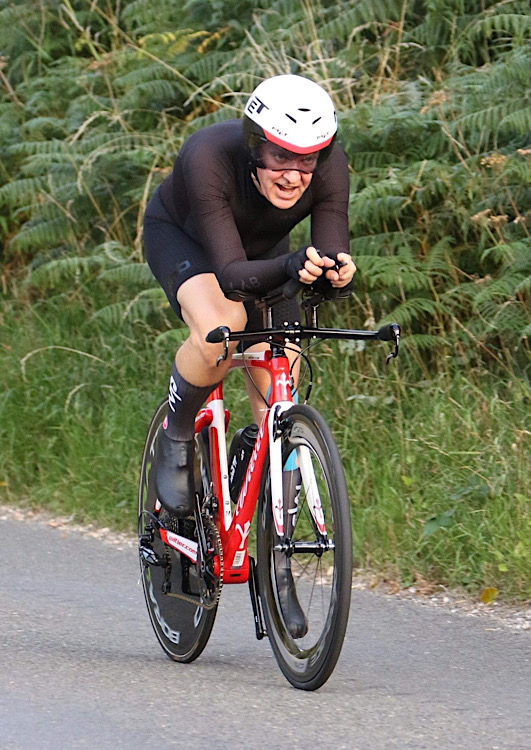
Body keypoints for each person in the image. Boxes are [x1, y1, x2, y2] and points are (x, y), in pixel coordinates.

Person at [143, 74, 356, 635]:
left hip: (264, 255)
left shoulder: (330, 167)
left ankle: (278, 566)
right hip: (189, 243)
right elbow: (233, 277)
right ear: (252, 143)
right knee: (223, 329)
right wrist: (292, 265)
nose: (293, 174)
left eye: (307, 160)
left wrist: (336, 272)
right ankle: (177, 435)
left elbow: (330, 246)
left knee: (279, 375)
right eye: (279, 156)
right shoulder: (208, 158)